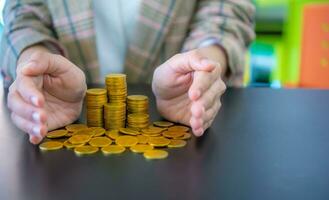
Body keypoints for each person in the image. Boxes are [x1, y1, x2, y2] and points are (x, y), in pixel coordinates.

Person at [0, 0, 255, 144]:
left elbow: (225, 12)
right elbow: (24, 14)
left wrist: (202, 65)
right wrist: (35, 61)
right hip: (58, 105)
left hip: (181, 101)